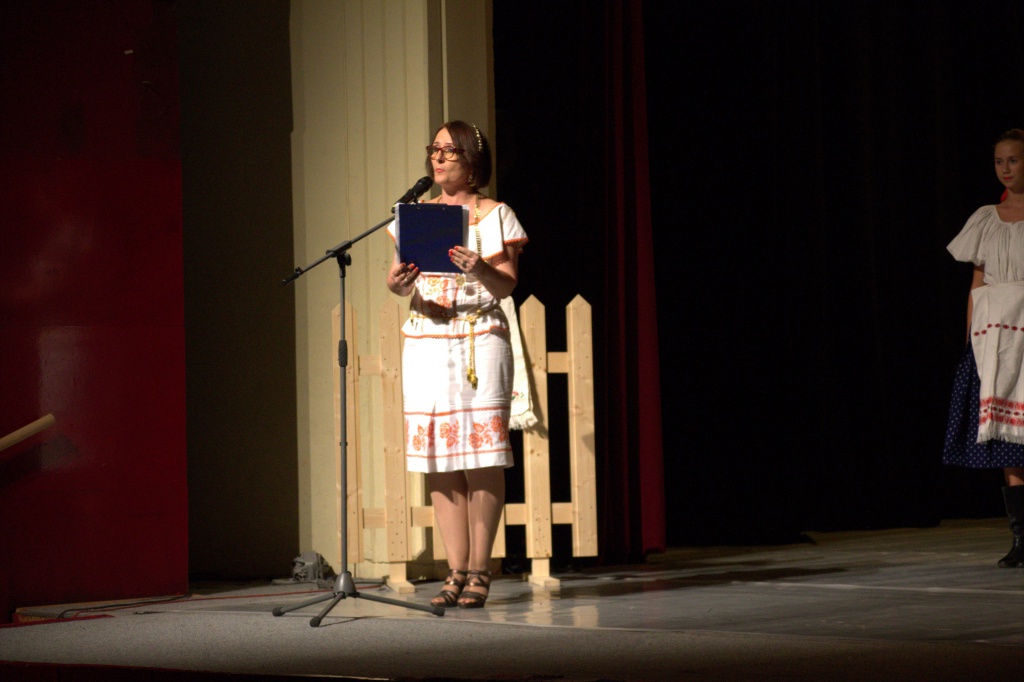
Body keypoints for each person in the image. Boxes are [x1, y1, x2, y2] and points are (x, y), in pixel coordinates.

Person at [386, 121, 528, 606]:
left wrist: (480, 267)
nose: (439, 158)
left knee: (482, 455)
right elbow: (397, 280)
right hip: (428, 338)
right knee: (439, 457)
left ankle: (481, 570)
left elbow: (506, 285)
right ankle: (455, 570)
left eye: (449, 151)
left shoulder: (496, 214)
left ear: (472, 161)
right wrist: (399, 282)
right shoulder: (417, 215)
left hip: (478, 338)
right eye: (435, 149)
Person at [944, 128, 1024, 569]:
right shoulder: (986, 217)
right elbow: (977, 282)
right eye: (999, 161)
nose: (1006, 169)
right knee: (1009, 443)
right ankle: (1022, 539)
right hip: (994, 338)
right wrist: (971, 338)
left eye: (1014, 160)